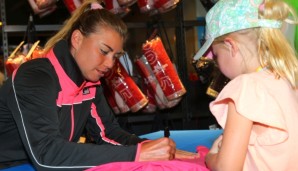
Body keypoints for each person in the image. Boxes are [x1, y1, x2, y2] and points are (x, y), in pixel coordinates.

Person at [0, 0, 197, 170]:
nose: (110, 64)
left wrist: (151, 148)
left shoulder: (90, 82)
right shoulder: (35, 77)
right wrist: (135, 154)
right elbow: (46, 154)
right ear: (77, 39)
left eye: (116, 56)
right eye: (104, 51)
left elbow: (109, 134)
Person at [193, 0, 298, 170]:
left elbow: (227, 168)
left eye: (217, 55)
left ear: (230, 45)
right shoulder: (288, 80)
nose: (217, 64)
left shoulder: (245, 87)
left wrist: (212, 156)